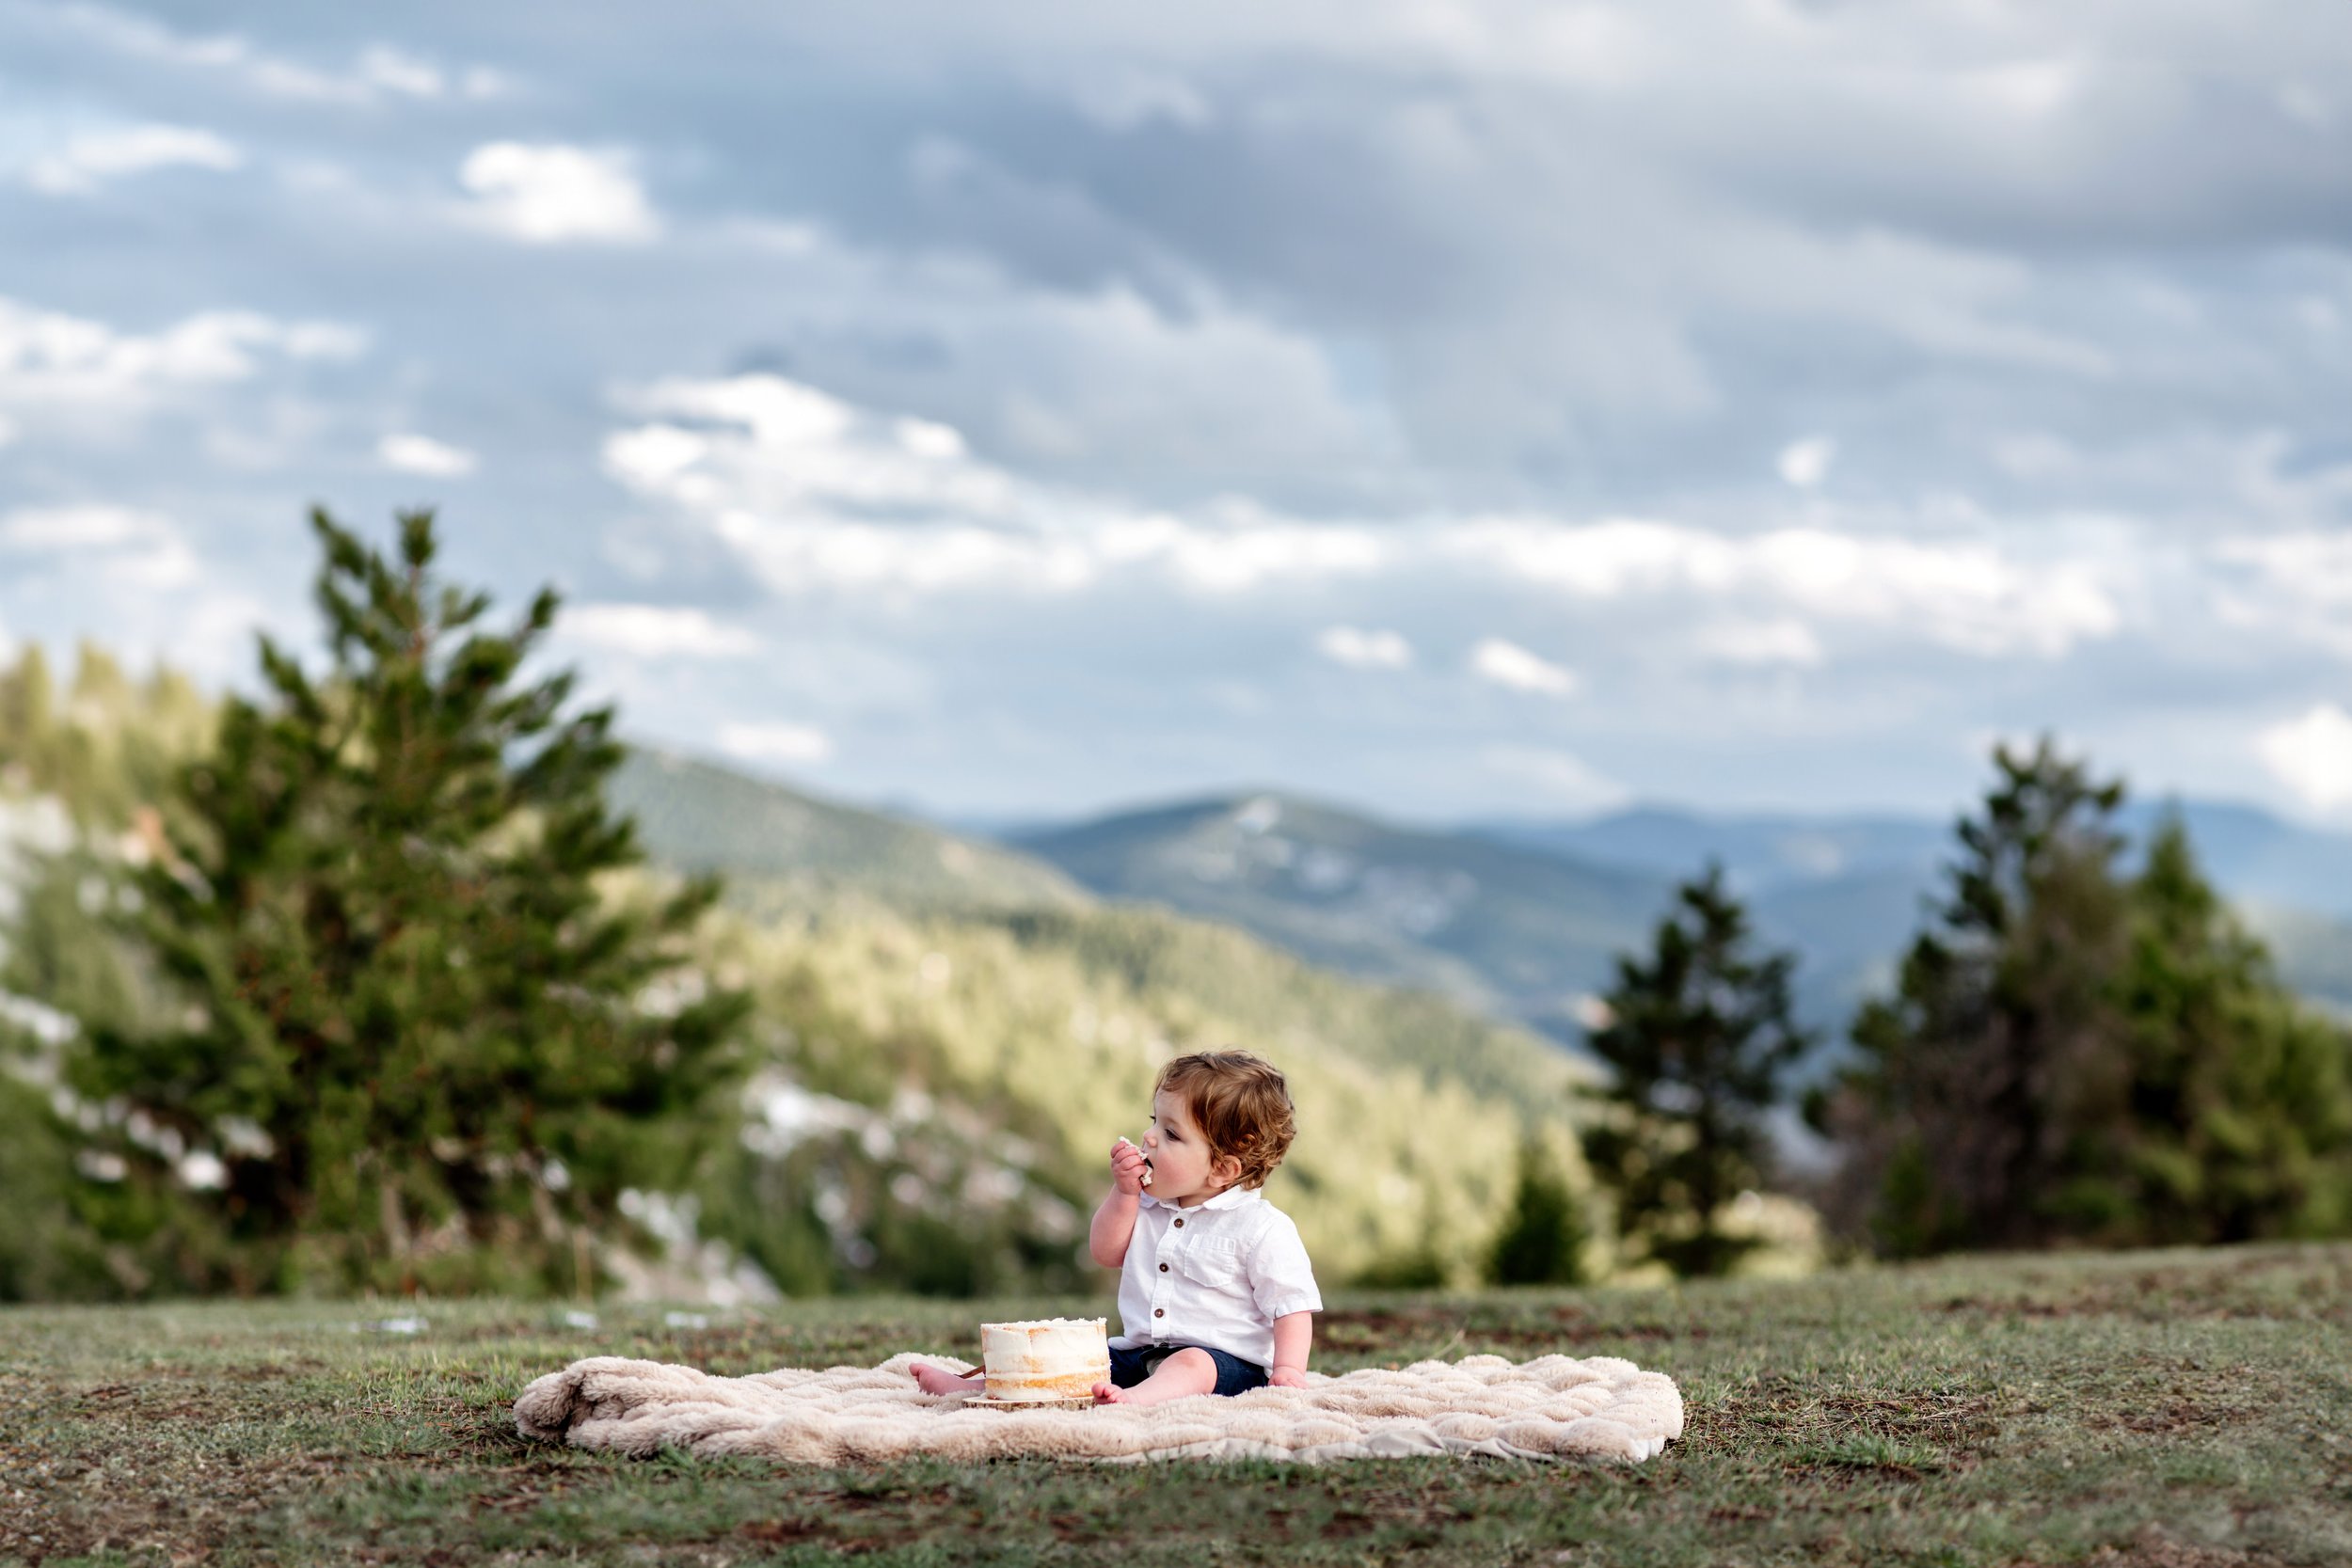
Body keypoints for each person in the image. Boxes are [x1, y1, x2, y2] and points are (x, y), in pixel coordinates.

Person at [910, 1049, 1322, 1404]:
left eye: (1172, 1134)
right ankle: (980, 1387)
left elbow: (1291, 1305)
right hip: (1137, 1354)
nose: (1149, 1136)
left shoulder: (1261, 1228)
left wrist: (1287, 1369)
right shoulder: (1144, 1202)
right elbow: (1105, 1253)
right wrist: (1124, 1195)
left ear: (1222, 1168)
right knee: (1074, 1357)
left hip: (1226, 1368)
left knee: (1191, 1362)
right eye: (1154, 1121)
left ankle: (1137, 1400)